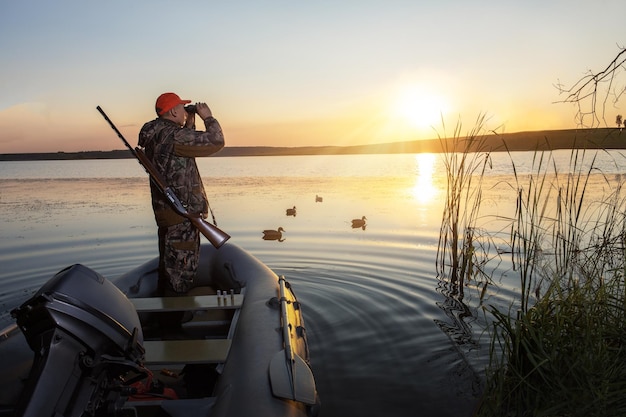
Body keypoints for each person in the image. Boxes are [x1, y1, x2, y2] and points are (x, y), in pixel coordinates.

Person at [138, 92, 225, 295]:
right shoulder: (174, 136)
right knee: (179, 275)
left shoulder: (157, 134)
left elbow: (183, 150)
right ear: (174, 111)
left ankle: (167, 317)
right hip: (182, 218)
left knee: (168, 268)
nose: (185, 112)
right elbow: (216, 141)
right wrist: (208, 117)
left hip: (168, 214)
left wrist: (190, 122)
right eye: (182, 108)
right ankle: (172, 322)